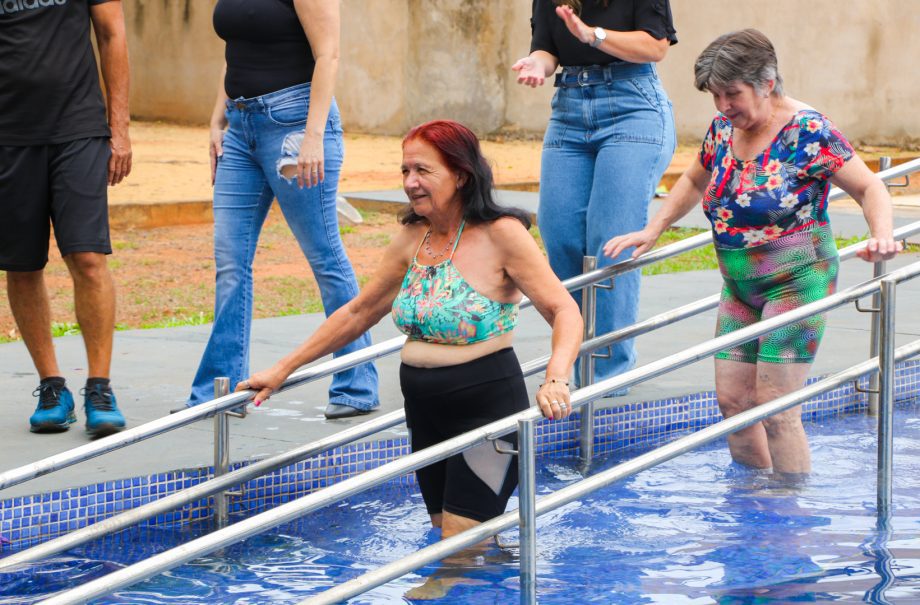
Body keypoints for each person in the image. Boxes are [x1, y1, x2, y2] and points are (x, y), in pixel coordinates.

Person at [239, 120, 582, 544]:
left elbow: (563, 309)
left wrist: (557, 376)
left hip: (488, 416)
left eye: (423, 171)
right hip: (425, 417)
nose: (410, 182)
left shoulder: (502, 235)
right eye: (405, 171)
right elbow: (359, 312)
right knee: (454, 540)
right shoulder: (412, 237)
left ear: (460, 174)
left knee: (456, 549)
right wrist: (283, 368)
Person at [604, 29, 902, 476]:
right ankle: (751, 509)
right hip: (740, 285)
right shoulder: (725, 126)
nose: (723, 106)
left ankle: (789, 516)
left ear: (767, 83)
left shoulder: (809, 131)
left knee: (777, 408)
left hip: (798, 280)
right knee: (734, 404)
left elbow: (869, 186)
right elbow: (693, 179)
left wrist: (881, 235)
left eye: (732, 94)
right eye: (715, 95)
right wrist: (654, 228)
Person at [182, 0, 378, 419]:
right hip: (240, 126)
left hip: (293, 123)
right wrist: (217, 119)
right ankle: (220, 389)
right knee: (230, 261)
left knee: (324, 255)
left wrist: (312, 136)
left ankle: (356, 383)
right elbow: (236, 48)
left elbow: (328, 54)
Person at [512, 0, 677, 390]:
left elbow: (656, 46)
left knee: (611, 243)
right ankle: (571, 360)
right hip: (570, 107)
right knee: (561, 237)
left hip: (632, 104)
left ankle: (607, 377)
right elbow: (547, 48)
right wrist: (539, 63)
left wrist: (593, 35)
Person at [1, 0, 132, 438]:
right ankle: (52, 387)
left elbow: (112, 33)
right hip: (9, 135)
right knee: (21, 266)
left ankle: (99, 388)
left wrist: (120, 128)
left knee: (89, 257)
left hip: (78, 127)